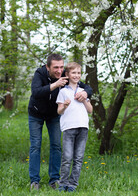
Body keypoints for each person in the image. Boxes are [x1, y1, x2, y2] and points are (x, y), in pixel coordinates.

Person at [28, 54, 92, 190]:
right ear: (48, 67)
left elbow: (85, 87)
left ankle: (54, 179)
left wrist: (86, 93)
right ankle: (34, 181)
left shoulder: (65, 74)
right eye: (55, 67)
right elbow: (35, 92)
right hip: (36, 113)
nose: (59, 70)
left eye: (61, 67)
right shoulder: (40, 74)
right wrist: (55, 84)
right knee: (35, 146)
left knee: (56, 146)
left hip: (54, 115)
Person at [56, 62, 93, 192]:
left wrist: (84, 99)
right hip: (68, 128)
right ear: (67, 74)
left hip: (83, 127)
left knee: (78, 158)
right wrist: (64, 106)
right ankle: (63, 184)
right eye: (74, 73)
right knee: (67, 158)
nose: (76, 75)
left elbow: (90, 110)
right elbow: (59, 111)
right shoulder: (63, 91)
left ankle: (73, 185)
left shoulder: (83, 92)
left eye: (78, 73)